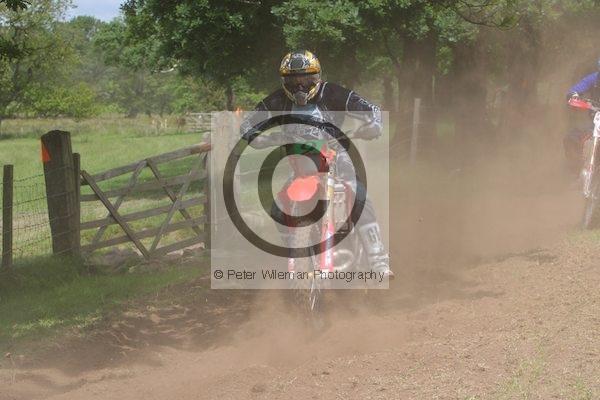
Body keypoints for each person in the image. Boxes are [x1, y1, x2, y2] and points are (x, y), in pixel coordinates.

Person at [240, 50, 393, 278]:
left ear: (317, 77)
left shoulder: (333, 93)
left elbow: (373, 111)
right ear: (284, 81)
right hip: (301, 164)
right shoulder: (277, 100)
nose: (300, 87)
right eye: (293, 81)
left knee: (358, 195)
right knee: (278, 207)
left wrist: (372, 126)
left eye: (306, 79)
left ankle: (378, 260)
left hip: (336, 157)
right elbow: (247, 124)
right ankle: (296, 253)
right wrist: (260, 138)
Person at [564, 59, 600, 174]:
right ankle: (576, 172)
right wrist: (573, 95)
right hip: (595, 124)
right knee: (571, 138)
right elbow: (578, 87)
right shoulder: (594, 78)